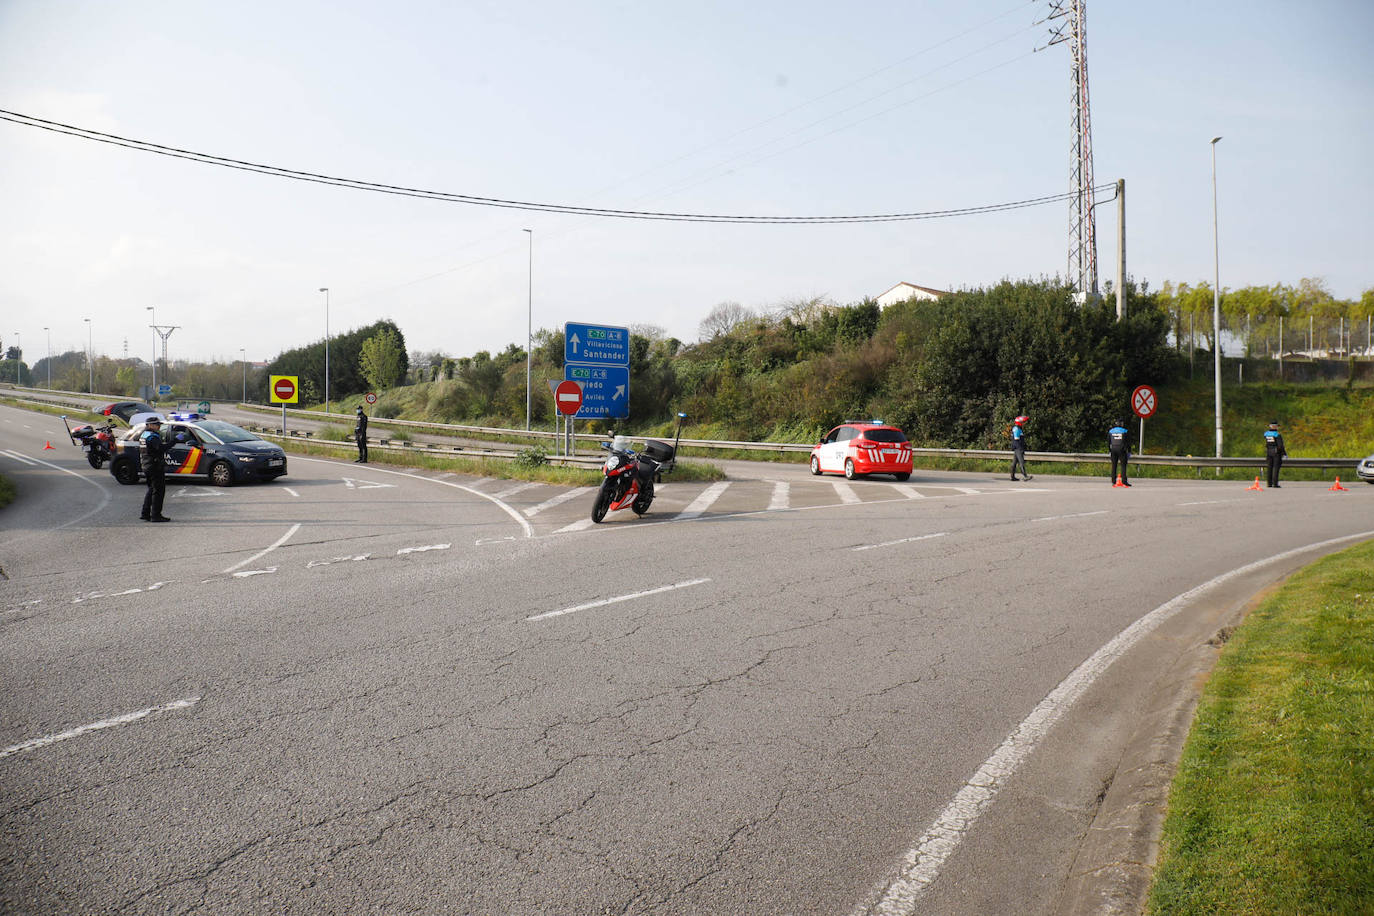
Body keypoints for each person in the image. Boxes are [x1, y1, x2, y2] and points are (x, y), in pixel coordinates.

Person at [139, 416, 170, 522]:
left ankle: (145, 513)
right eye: (157, 424)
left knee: (151, 489)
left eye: (159, 424)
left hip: (146, 465)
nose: (159, 426)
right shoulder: (153, 436)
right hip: (154, 466)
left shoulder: (144, 434)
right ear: (150, 425)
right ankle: (156, 515)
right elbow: (160, 449)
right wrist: (174, 441)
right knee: (159, 491)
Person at [1108, 418, 1131, 486]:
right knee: (1123, 465)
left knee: (1114, 465)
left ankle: (1113, 481)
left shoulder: (1111, 431)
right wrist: (1129, 451)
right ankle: (1124, 481)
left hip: (1113, 449)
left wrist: (1109, 450)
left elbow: (1108, 442)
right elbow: (1128, 442)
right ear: (1121, 424)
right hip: (1122, 449)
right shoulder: (1125, 431)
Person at [1264, 420, 1286, 488]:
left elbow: (1267, 444)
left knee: (1269, 467)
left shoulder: (1266, 434)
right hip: (1276, 452)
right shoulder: (1277, 435)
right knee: (1276, 468)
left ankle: (1269, 483)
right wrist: (1284, 453)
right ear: (1275, 426)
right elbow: (1280, 446)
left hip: (1269, 452)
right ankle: (1275, 483)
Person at [1010, 414, 1031, 481]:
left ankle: (1012, 477)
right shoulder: (1017, 429)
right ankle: (1025, 476)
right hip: (1018, 448)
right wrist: (1021, 449)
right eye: (1022, 422)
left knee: (1014, 463)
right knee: (1021, 462)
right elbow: (1016, 440)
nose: (1023, 423)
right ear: (1019, 422)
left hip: (1017, 448)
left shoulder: (1017, 428)